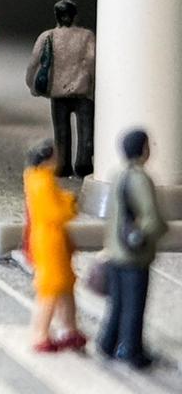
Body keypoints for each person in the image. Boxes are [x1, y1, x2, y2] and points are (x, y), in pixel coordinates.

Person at [97, 129, 168, 369]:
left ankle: (108, 342)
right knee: (134, 305)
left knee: (117, 302)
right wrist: (160, 230)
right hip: (134, 253)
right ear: (144, 149)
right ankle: (131, 349)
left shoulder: (117, 174)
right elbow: (151, 218)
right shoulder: (141, 179)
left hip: (116, 249)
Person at [23, 139, 86, 352]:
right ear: (47, 159)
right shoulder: (42, 183)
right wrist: (70, 204)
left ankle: (69, 328)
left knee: (65, 285)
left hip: (55, 239)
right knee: (50, 288)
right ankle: (40, 333)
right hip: (49, 241)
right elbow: (54, 213)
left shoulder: (41, 179)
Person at [25, 0, 96, 177]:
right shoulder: (86, 36)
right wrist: (95, 85)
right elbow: (93, 61)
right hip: (82, 91)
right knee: (86, 130)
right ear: (75, 16)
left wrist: (31, 84)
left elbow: (34, 62)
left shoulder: (48, 36)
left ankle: (63, 165)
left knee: (61, 131)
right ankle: (83, 164)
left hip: (57, 92)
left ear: (56, 16)